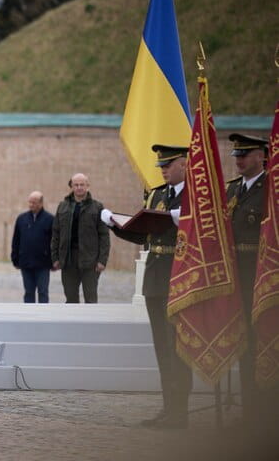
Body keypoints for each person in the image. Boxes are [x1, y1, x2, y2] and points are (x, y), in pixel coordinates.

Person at [103, 144, 191, 429]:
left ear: (184, 163)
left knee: (178, 346)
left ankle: (181, 410)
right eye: (161, 166)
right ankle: (169, 407)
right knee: (162, 346)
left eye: (168, 164)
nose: (163, 170)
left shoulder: (197, 196)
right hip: (155, 278)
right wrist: (116, 224)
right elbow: (144, 237)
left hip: (181, 277)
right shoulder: (157, 194)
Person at [225, 133, 268, 424]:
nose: (239, 160)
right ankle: (249, 411)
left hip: (262, 278)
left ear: (262, 156)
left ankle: (263, 412)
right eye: (236, 155)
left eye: (245, 154)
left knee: (263, 343)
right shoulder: (232, 191)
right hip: (235, 279)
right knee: (243, 343)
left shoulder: (271, 190)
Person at [50, 173, 109, 304]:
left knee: (91, 297)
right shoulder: (63, 206)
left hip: (90, 260)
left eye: (82, 184)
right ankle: (71, 323)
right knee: (70, 298)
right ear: (71, 186)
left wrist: (102, 260)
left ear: (87, 186)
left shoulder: (97, 207)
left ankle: (91, 324)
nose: (79, 187)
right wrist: (55, 258)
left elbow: (104, 236)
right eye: (76, 185)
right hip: (68, 259)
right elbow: (56, 233)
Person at [11, 191, 54, 303]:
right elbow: (16, 240)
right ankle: (28, 317)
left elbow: (54, 242)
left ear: (41, 203)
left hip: (43, 264)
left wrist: (54, 261)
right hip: (26, 263)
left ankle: (43, 316)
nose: (31, 205)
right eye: (29, 202)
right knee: (28, 292)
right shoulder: (22, 219)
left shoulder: (50, 219)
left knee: (43, 292)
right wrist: (15, 259)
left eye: (34, 202)